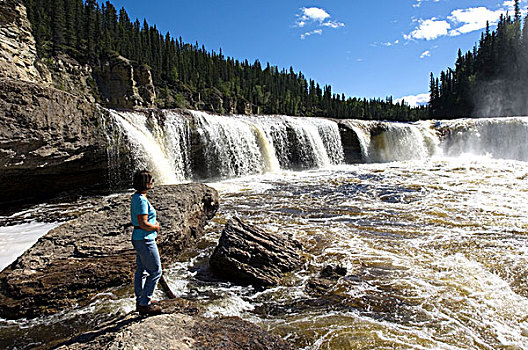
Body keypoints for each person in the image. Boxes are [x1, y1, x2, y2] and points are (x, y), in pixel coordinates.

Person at [130, 170, 162, 316]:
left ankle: (140, 300)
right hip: (145, 239)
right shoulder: (142, 200)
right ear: (146, 183)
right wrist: (155, 227)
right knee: (156, 271)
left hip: (138, 237)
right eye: (151, 180)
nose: (152, 182)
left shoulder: (136, 197)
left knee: (141, 270)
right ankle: (145, 304)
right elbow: (143, 223)